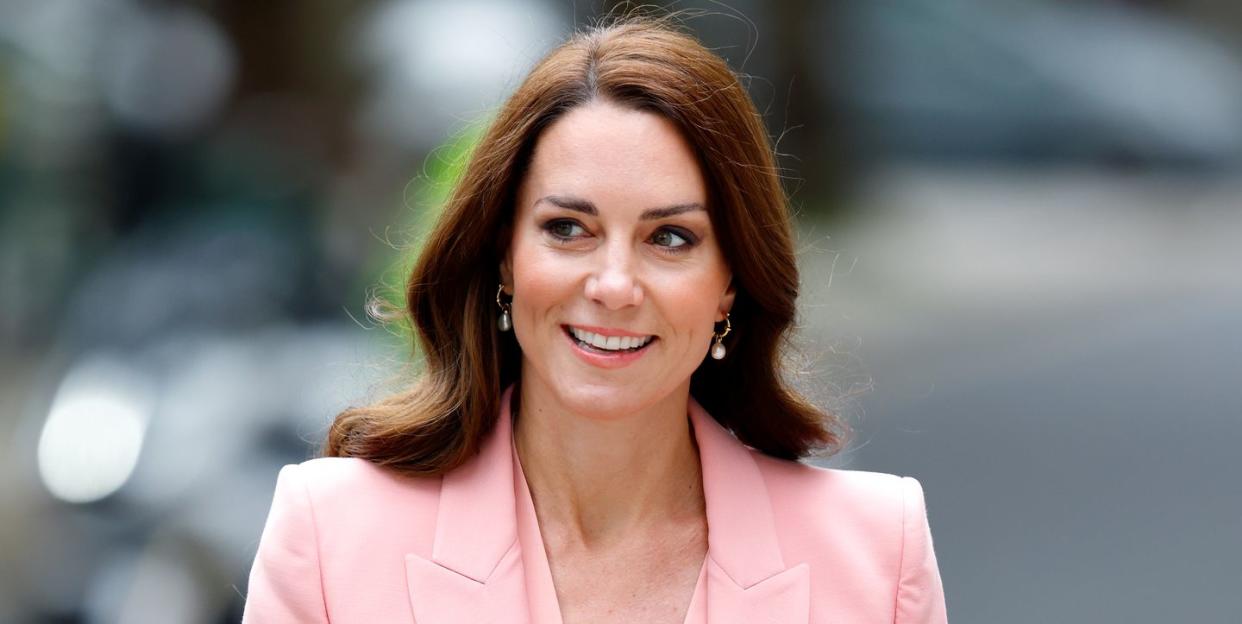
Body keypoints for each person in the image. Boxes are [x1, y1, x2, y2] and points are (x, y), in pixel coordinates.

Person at [242, 16, 947, 624]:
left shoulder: (876, 550)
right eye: (569, 228)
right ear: (503, 259)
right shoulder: (329, 533)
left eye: (670, 238)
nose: (613, 285)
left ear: (730, 283)